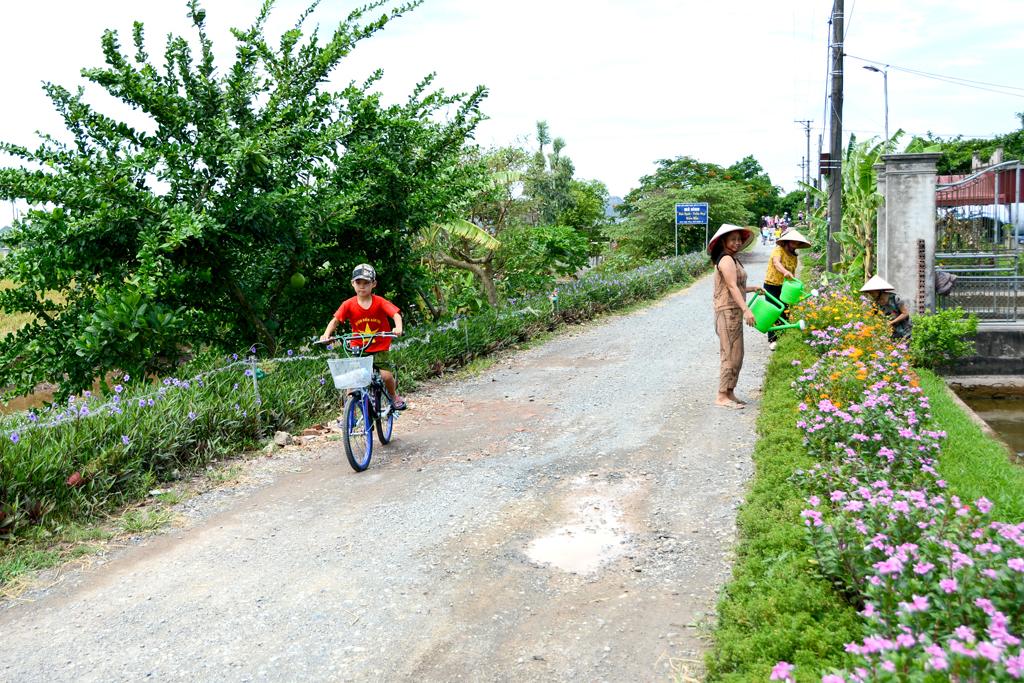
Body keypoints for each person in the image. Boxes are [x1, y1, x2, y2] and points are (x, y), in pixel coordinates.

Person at [321, 263, 407, 410]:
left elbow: (395, 315)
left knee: (386, 376)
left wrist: (398, 328)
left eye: (366, 283)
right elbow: (335, 321)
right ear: (352, 283)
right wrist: (326, 335)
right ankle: (349, 412)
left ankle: (393, 396)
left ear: (373, 284)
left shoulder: (380, 302)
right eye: (358, 282)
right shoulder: (348, 304)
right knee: (352, 379)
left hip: (379, 345)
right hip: (359, 347)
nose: (362, 286)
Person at [708, 223, 762, 408]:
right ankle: (721, 395)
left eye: (739, 239)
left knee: (738, 354)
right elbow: (731, 287)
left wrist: (752, 288)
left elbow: (735, 286)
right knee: (729, 353)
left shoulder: (733, 259)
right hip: (727, 312)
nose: (737, 242)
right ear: (723, 241)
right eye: (733, 239)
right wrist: (747, 309)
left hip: (734, 311)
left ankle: (730, 392)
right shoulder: (726, 260)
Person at [762, 228, 811, 350]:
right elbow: (776, 263)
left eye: (797, 242)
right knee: (774, 311)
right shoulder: (778, 250)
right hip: (772, 284)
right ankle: (773, 339)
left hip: (785, 287)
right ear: (787, 241)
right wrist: (785, 272)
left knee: (785, 311)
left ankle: (782, 336)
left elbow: (792, 274)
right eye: (793, 241)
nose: (795, 244)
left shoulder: (794, 256)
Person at [860, 274, 912, 340]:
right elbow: (873, 316)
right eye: (869, 293)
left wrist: (891, 322)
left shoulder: (895, 298)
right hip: (889, 332)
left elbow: (905, 313)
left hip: (903, 330)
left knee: (902, 345)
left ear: (879, 290)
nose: (871, 294)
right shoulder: (874, 303)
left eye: (872, 292)